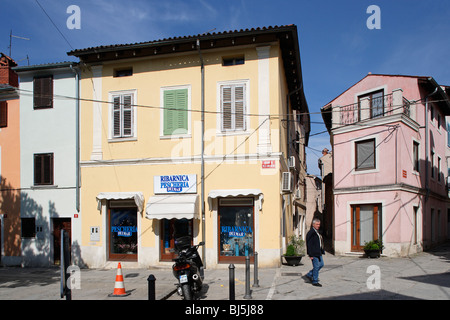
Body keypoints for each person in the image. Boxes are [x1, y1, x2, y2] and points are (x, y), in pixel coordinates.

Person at [305, 218, 325, 287]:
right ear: (313, 224)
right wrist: (310, 254)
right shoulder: (311, 233)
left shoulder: (317, 232)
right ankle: (315, 281)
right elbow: (309, 244)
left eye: (319, 224)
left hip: (318, 252)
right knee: (316, 266)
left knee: (321, 264)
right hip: (314, 253)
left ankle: (310, 274)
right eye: (317, 224)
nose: (318, 225)